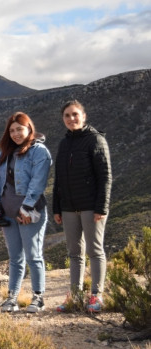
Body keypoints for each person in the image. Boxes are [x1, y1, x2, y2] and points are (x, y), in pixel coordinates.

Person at [0, 112, 52, 313]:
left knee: (33, 255)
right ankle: (12, 298)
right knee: (15, 257)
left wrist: (27, 206)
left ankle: (38, 297)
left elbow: (38, 181)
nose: (16, 133)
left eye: (19, 129)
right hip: (8, 211)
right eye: (12, 130)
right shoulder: (4, 153)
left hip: (29, 212)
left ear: (29, 129)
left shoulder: (39, 152)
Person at [53, 100, 112, 313]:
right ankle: (75, 296)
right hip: (69, 207)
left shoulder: (96, 140)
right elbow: (58, 179)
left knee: (95, 250)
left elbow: (105, 177)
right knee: (74, 252)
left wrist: (101, 207)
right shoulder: (64, 143)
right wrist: (57, 208)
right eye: (67, 115)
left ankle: (97, 295)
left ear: (84, 116)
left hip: (91, 206)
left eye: (75, 114)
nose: (71, 119)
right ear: (63, 119)